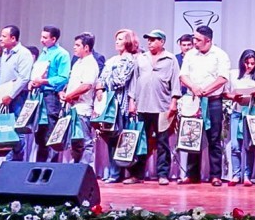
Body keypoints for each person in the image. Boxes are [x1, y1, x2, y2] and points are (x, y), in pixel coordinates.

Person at [128, 30, 181, 185]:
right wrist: (132, 100)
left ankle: (163, 174)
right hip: (143, 105)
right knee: (141, 142)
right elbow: (134, 80)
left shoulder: (170, 59)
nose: (150, 43)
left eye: (153, 40)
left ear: (162, 42)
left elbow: (175, 82)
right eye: (148, 40)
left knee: (162, 142)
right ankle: (137, 174)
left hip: (162, 106)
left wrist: (174, 101)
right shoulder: (141, 58)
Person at [179, 26, 230, 186]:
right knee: (192, 137)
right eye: (194, 38)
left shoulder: (220, 55)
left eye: (198, 40)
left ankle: (215, 175)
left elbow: (222, 78)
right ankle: (192, 174)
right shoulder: (190, 55)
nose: (194, 42)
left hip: (213, 101)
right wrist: (194, 88)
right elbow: (183, 75)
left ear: (208, 40)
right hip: (194, 100)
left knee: (214, 138)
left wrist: (206, 91)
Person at [97, 30, 139, 182]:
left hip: (121, 106)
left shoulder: (130, 60)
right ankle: (114, 172)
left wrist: (107, 78)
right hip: (109, 105)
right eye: (116, 39)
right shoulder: (112, 60)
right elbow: (100, 79)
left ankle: (119, 173)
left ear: (127, 42)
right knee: (110, 138)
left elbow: (121, 80)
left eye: (120, 39)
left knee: (120, 139)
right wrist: (102, 84)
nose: (116, 42)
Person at [30, 26, 71, 163]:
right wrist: (33, 82)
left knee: (51, 130)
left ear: (53, 39)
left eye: (45, 38)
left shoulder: (62, 54)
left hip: (51, 95)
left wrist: (44, 81)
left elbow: (63, 77)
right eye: (41, 37)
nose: (42, 40)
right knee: (39, 131)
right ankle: (39, 165)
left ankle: (51, 165)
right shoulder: (43, 53)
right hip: (39, 95)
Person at [0, 25, 34, 162]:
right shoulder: (5, 52)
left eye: (4, 36)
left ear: (13, 38)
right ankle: (9, 161)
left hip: (17, 97)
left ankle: (17, 162)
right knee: (6, 129)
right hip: (4, 96)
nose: (0, 38)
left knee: (18, 129)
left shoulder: (23, 54)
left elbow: (24, 78)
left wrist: (11, 95)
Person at [61, 33, 99, 167]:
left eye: (78, 45)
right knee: (75, 141)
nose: (74, 48)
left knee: (85, 141)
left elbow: (87, 85)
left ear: (86, 47)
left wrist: (70, 95)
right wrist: (64, 93)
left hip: (82, 108)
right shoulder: (78, 62)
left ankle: (84, 170)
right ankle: (76, 169)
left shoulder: (90, 63)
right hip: (73, 108)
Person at [226, 49, 255, 186]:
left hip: (251, 113)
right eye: (247, 63)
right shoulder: (234, 74)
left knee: (248, 146)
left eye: (252, 63)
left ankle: (247, 175)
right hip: (237, 112)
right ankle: (236, 175)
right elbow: (226, 93)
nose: (249, 66)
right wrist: (234, 97)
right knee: (235, 145)